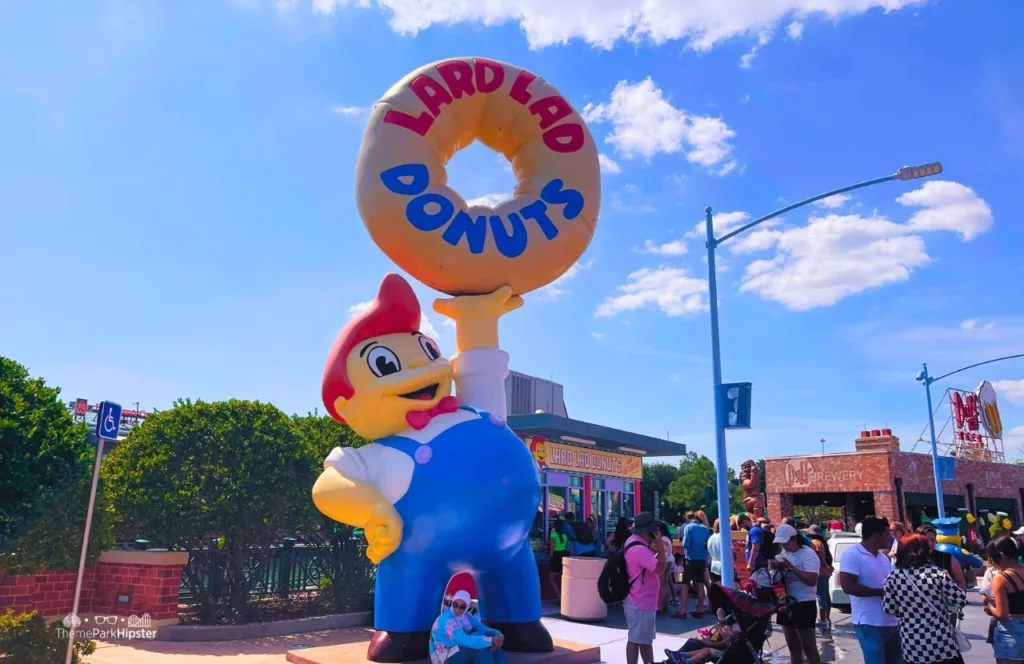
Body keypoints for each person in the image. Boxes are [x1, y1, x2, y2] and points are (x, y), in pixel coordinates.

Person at [883, 534, 968, 664]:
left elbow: (889, 609)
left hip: (911, 642)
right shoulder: (938, 574)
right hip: (940, 640)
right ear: (923, 551)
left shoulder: (893, 578)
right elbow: (960, 599)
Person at [840, 515, 902, 664]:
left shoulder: (883, 557)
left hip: (892, 622)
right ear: (876, 535)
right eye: (887, 533)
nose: (890, 537)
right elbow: (848, 586)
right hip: (869, 623)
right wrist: (880, 592)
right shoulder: (852, 554)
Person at [772, 524, 821, 664]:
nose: (784, 546)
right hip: (785, 601)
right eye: (781, 543)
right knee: (793, 646)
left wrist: (791, 567)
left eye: (785, 543)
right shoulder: (784, 553)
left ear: (794, 539)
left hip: (804, 601)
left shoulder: (808, 554)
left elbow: (812, 580)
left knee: (808, 646)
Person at [623, 511, 668, 664]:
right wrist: (660, 546)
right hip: (641, 601)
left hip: (637, 599)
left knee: (642, 640)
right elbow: (660, 569)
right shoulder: (640, 549)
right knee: (638, 641)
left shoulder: (632, 541)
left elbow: (646, 566)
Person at [429, 590, 506, 664]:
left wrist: (498, 635)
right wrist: (491, 640)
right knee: (476, 646)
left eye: (462, 606)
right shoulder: (447, 621)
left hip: (457, 648)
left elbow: (483, 628)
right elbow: (466, 640)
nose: (457, 609)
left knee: (489, 637)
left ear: (466, 607)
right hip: (444, 656)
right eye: (455, 605)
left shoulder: (466, 616)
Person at [984, 535, 1024, 663]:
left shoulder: (1001, 578)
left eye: (994, 560)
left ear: (1001, 555)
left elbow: (1002, 614)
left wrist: (990, 607)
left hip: (1011, 634)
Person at [677, 511, 710, 618]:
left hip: (690, 559)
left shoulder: (688, 527)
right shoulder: (705, 529)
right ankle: (700, 609)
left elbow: (685, 544)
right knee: (700, 584)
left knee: (685, 584)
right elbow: (707, 545)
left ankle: (682, 611)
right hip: (701, 559)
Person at [916, 524, 967, 592]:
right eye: (926, 540)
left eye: (933, 540)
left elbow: (961, 582)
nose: (930, 543)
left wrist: (956, 596)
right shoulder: (911, 559)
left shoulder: (947, 558)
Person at [804, 524, 834, 629]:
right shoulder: (822, 542)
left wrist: (825, 565)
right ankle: (827, 618)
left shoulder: (814, 543)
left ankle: (822, 619)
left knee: (820, 596)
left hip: (820, 572)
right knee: (825, 595)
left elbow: (819, 557)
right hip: (825, 572)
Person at [548, 517, 568, 598]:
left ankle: (560, 597)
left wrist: (550, 556)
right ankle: (565, 597)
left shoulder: (553, 534)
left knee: (552, 578)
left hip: (556, 556)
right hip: (564, 555)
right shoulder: (565, 535)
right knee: (561, 578)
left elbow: (552, 548)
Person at [707, 519, 723, 583]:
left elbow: (709, 552)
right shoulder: (724, 537)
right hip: (723, 566)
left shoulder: (710, 538)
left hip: (713, 566)